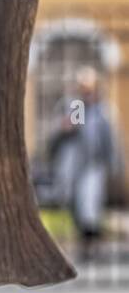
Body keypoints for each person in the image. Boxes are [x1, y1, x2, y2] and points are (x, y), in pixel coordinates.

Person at [51, 66, 122, 258]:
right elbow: (70, 133)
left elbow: (110, 140)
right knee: (77, 204)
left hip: (94, 165)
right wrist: (66, 127)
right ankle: (85, 241)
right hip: (76, 165)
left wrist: (114, 166)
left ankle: (93, 242)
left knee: (90, 203)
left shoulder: (102, 110)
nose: (86, 89)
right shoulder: (77, 106)